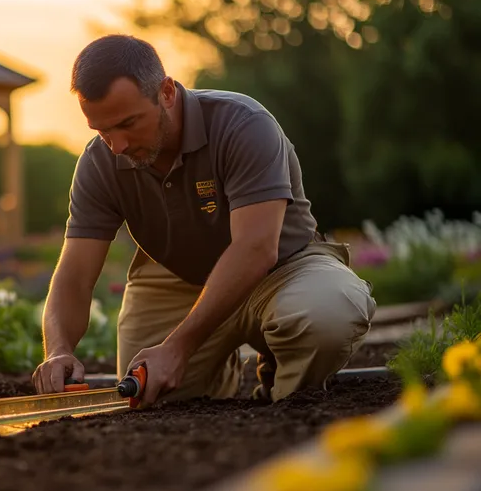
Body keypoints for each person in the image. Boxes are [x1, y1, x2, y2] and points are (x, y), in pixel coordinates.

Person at [31, 34, 376, 407]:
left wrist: (178, 347)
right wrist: (59, 351)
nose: (118, 146)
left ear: (165, 92)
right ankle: (217, 371)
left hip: (282, 268)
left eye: (128, 123)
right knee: (149, 396)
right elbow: (75, 275)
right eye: (102, 130)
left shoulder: (243, 125)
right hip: (176, 279)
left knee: (326, 318)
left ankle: (283, 393)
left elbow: (256, 247)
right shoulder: (100, 162)